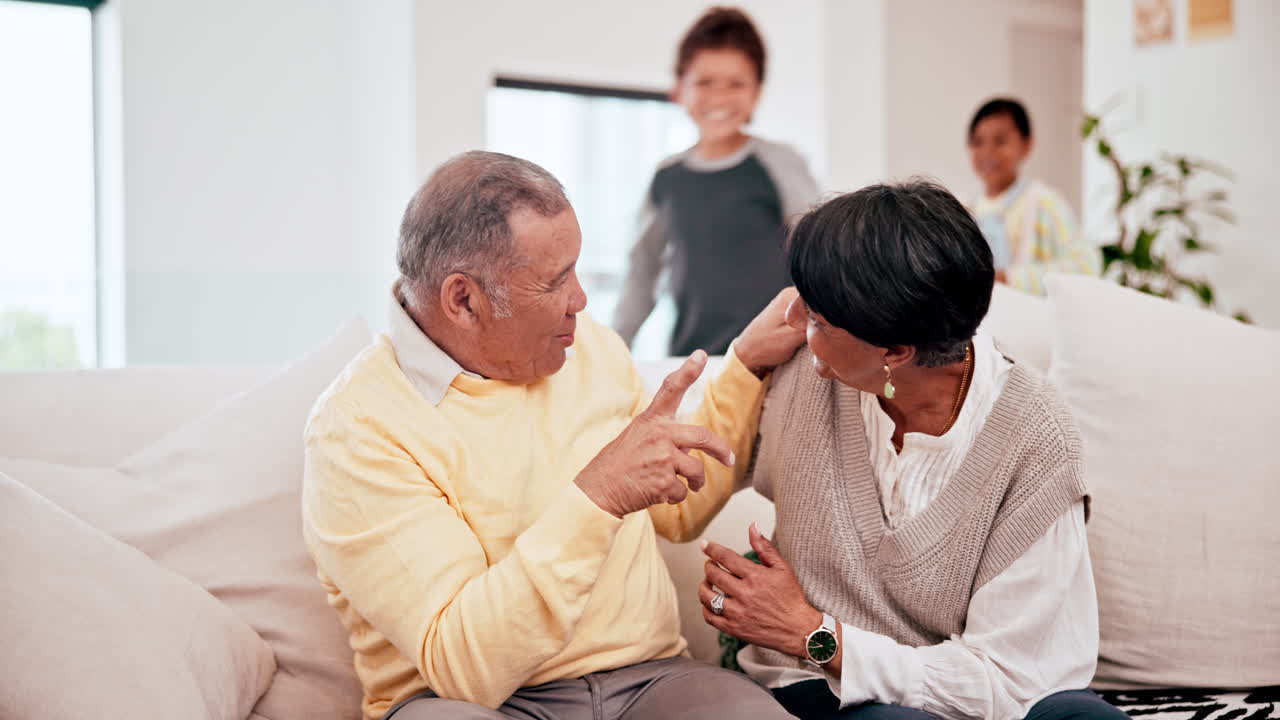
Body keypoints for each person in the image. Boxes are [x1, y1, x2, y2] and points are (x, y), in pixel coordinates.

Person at [301, 151, 806, 720]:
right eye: (555, 280)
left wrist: (745, 364)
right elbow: (468, 666)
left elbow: (677, 511)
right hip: (473, 704)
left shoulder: (585, 346)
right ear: (463, 301)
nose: (581, 300)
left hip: (651, 681)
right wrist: (598, 496)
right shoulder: (358, 429)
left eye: (576, 269)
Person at [695, 181, 1128, 720]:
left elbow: (1006, 682)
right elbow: (680, 494)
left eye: (818, 319)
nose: (792, 319)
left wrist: (813, 632)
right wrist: (742, 360)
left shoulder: (1035, 439)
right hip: (817, 686)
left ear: (895, 352)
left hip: (985, 688)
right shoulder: (801, 371)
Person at [614, 6, 819, 357]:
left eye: (736, 84)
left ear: (757, 92)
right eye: (704, 82)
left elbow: (819, 256)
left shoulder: (779, 162)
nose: (720, 97)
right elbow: (642, 272)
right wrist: (613, 350)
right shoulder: (667, 177)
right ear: (679, 88)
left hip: (777, 356)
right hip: (695, 358)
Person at [967, 97, 1099, 294]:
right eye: (978, 142)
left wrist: (1009, 279)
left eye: (1000, 141)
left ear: (1026, 145)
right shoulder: (966, 211)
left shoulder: (1045, 203)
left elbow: (1086, 267)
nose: (988, 152)